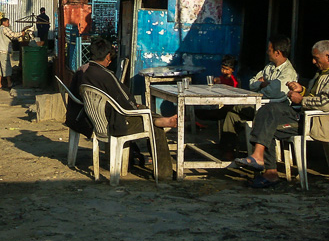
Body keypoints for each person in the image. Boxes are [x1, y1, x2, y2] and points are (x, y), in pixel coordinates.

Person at [236, 39, 329, 188]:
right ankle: (262, 162)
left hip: (319, 122)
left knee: (267, 123)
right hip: (306, 115)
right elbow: (316, 95)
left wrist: (302, 100)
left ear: (328, 57)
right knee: (267, 110)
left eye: (316, 58)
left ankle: (268, 170)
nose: (313, 61)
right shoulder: (323, 73)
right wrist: (302, 90)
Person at [79, 38, 176, 180]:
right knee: (152, 124)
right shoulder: (106, 75)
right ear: (107, 57)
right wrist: (134, 106)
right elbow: (125, 98)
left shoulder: (86, 73)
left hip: (99, 122)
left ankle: (156, 119)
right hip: (117, 124)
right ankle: (165, 173)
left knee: (144, 110)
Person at [198, 35, 297, 158]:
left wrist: (261, 85)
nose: (267, 52)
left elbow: (274, 92)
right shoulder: (269, 67)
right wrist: (262, 84)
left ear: (277, 53)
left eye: (269, 50)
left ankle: (209, 114)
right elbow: (252, 83)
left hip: (271, 109)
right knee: (231, 116)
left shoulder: (288, 72)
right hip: (258, 104)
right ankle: (227, 152)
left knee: (232, 105)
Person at [0, 17, 24, 90]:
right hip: (3, 50)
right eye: (7, 22)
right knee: (6, 67)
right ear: (4, 23)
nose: (8, 24)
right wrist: (21, 34)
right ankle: (9, 83)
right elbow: (12, 35)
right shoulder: (4, 29)